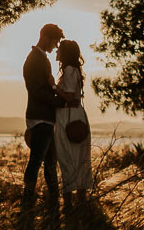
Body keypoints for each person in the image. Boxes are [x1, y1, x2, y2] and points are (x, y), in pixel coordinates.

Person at [22, 23, 63, 209]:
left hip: (45, 117)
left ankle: (53, 199)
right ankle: (28, 198)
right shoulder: (35, 60)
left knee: (49, 162)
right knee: (38, 160)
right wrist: (60, 101)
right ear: (45, 37)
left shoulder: (40, 58)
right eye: (54, 42)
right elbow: (38, 91)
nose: (55, 47)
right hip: (40, 117)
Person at [53, 39, 92, 206]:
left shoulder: (69, 70)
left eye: (59, 50)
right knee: (80, 157)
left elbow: (69, 96)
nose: (56, 52)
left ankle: (68, 201)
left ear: (65, 53)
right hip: (76, 115)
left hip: (68, 117)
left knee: (67, 156)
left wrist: (53, 86)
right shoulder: (75, 70)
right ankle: (81, 199)